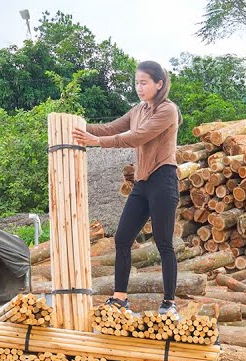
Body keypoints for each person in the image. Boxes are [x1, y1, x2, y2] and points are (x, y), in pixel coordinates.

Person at [72, 61, 181, 317]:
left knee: (164, 242)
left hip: (163, 179)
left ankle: (169, 302)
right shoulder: (138, 110)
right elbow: (111, 128)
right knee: (122, 238)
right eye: (137, 82)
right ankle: (120, 298)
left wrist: (98, 142)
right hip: (142, 183)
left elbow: (137, 137)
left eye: (144, 83)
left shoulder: (168, 111)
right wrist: (78, 127)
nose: (139, 87)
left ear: (159, 84)